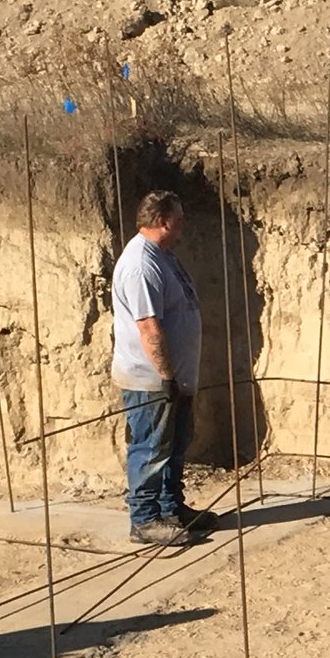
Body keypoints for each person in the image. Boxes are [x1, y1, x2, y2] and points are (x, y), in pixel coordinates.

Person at [110, 190, 211, 546]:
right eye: (178, 219)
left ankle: (170, 508)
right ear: (162, 221)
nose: (183, 225)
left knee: (175, 445)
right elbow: (148, 326)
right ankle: (144, 519)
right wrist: (166, 376)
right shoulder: (141, 264)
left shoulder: (162, 256)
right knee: (151, 448)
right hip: (151, 378)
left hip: (174, 377)